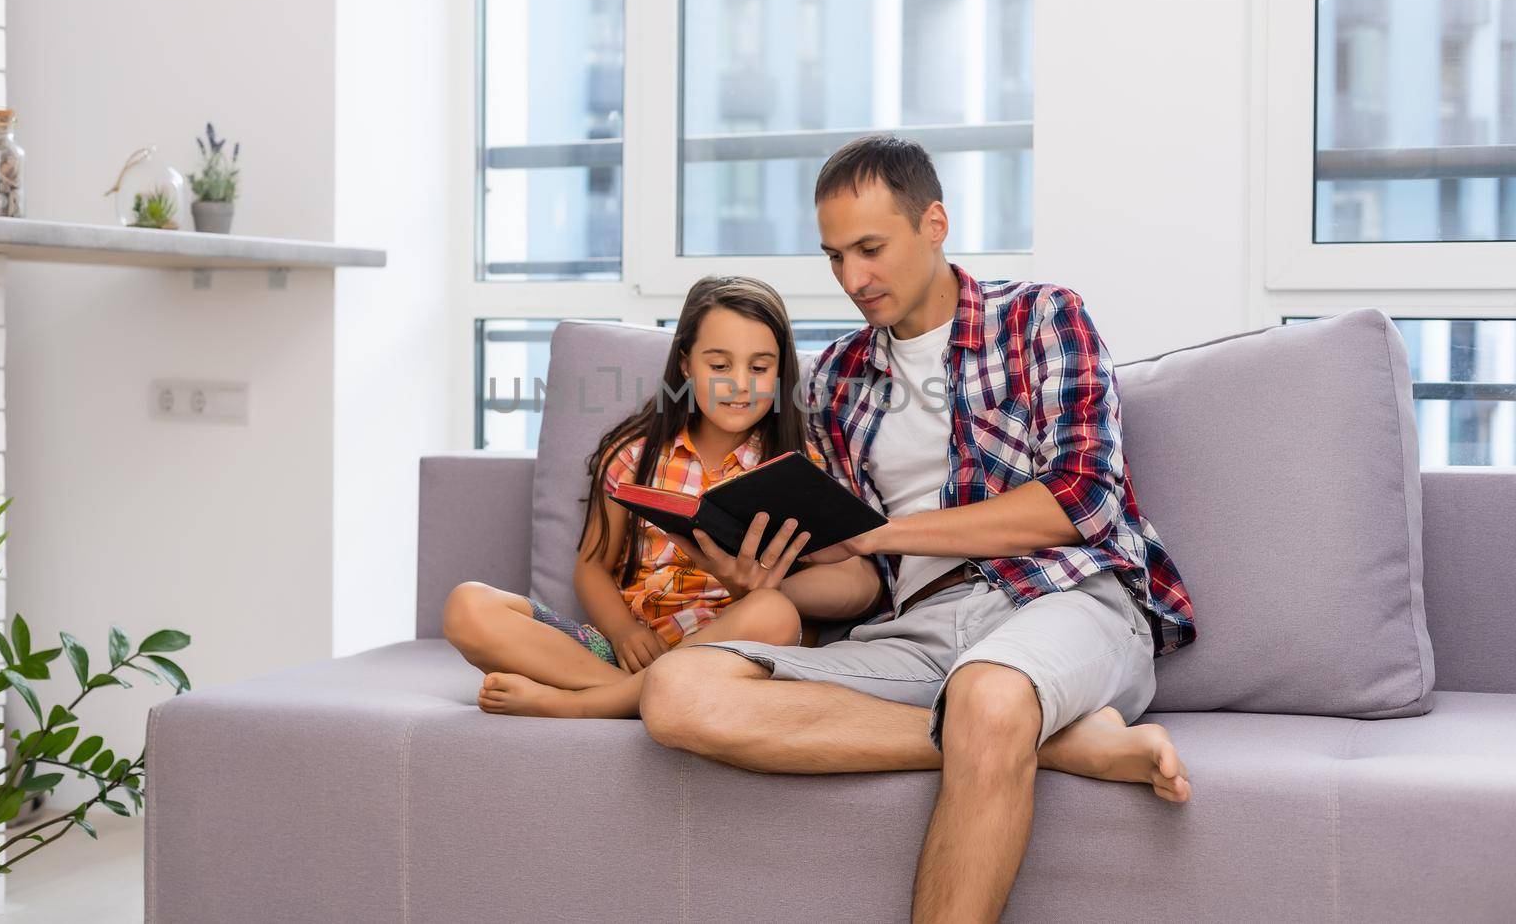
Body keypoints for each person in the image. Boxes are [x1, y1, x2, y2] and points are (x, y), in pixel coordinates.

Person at [637, 135, 1199, 923]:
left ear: (933, 222)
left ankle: (1002, 723)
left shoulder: (1041, 317)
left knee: (990, 694)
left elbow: (1083, 500)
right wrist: (768, 578)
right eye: (835, 257)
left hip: (1063, 597)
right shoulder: (836, 376)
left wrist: (892, 534)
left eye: (871, 248)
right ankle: (1053, 738)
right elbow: (864, 579)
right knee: (677, 691)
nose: (853, 279)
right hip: (921, 627)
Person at [442, 274, 880, 720]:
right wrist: (624, 632)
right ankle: (628, 693)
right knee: (468, 605)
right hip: (633, 651)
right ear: (687, 365)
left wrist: (761, 585)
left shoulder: (797, 464)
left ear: (780, 370)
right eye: (720, 365)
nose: (740, 385)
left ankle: (586, 703)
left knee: (774, 612)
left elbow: (857, 581)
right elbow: (592, 566)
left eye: (759, 367)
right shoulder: (634, 455)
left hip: (728, 653)